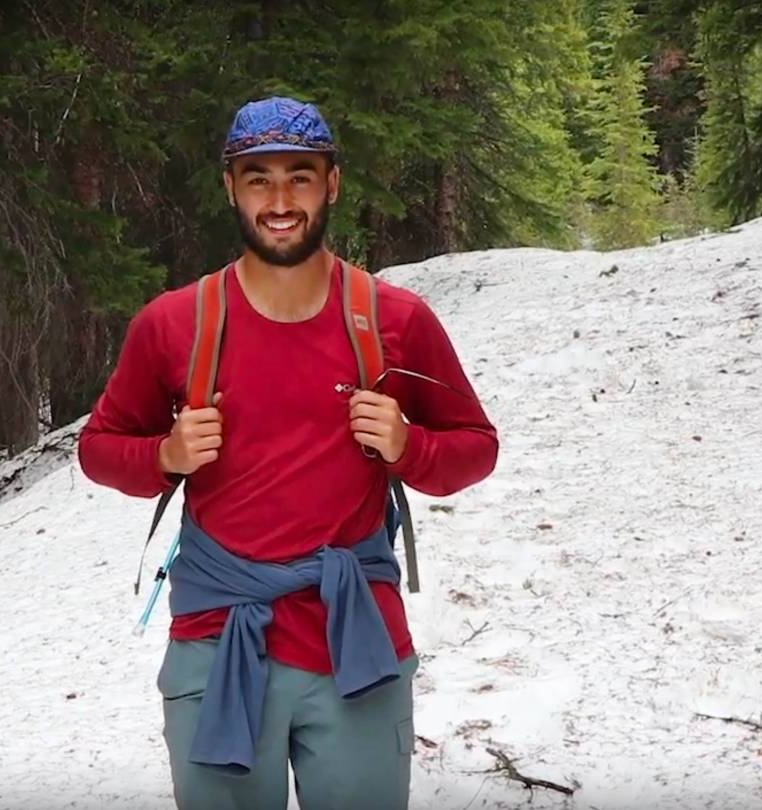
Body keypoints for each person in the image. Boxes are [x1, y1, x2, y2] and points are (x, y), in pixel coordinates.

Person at [78, 96, 498, 810]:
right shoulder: (175, 323)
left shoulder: (394, 319)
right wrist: (165, 457)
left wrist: (409, 445)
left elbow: (475, 449)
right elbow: (99, 449)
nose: (279, 199)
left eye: (299, 177)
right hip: (218, 643)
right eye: (258, 178)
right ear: (230, 187)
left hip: (356, 645)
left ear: (331, 183)